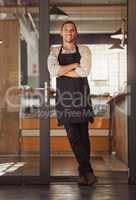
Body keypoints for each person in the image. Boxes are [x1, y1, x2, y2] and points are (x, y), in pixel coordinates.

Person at [48, 21, 97, 186]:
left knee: (83, 137)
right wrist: (75, 65)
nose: (69, 32)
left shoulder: (84, 50)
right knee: (73, 137)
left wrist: (64, 70)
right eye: (66, 30)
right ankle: (87, 170)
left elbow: (84, 71)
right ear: (61, 33)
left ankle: (84, 172)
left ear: (76, 33)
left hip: (81, 98)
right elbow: (54, 71)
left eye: (72, 30)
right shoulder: (54, 51)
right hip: (65, 100)